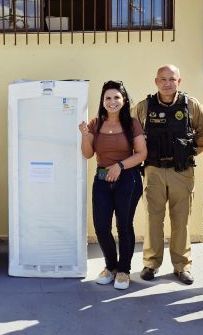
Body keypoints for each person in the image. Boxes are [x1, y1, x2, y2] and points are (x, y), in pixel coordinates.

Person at [133, 64, 203, 285]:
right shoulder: (144, 106)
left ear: (179, 81)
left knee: (181, 220)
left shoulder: (191, 105)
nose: (167, 83)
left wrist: (189, 150)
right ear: (156, 81)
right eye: (163, 79)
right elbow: (133, 132)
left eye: (172, 79)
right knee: (153, 219)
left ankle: (182, 265)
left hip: (181, 171)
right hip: (154, 170)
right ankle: (151, 263)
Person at [79, 81, 147, 290]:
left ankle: (124, 270)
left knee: (124, 226)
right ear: (103, 101)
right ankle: (111, 266)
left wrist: (119, 166)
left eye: (116, 97)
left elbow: (142, 154)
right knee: (101, 226)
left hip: (128, 179)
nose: (112, 101)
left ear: (124, 100)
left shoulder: (132, 123)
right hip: (101, 180)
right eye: (108, 98)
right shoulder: (95, 123)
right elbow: (88, 154)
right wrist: (84, 135)